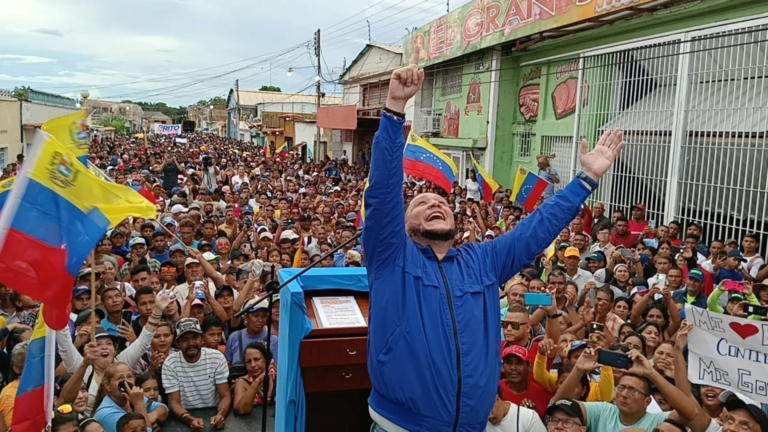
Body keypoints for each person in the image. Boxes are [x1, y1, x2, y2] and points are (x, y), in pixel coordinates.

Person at [364, 47, 626, 431]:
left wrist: (584, 181)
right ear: (403, 224)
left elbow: (536, 229)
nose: (435, 204)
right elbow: (383, 192)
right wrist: (392, 111)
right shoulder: (391, 258)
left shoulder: (482, 261)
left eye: (442, 201)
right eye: (422, 203)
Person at [162, 318, 230, 430]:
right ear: (177, 343)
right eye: (185, 339)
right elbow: (174, 403)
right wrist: (190, 419)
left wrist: (221, 415)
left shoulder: (217, 357)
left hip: (214, 412)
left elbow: (225, 395)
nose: (191, 343)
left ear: (202, 339)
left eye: (195, 337)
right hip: (183, 417)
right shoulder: (170, 364)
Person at [92, 362, 168, 432]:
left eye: (129, 377)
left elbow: (163, 408)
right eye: (120, 378)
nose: (126, 382)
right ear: (107, 385)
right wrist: (138, 404)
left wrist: (151, 416)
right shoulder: (106, 414)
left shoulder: (132, 398)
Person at [233, 342, 276, 414]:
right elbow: (241, 410)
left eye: (257, 359)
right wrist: (257, 381)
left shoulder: (277, 378)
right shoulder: (242, 382)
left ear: (266, 360)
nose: (252, 365)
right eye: (248, 361)